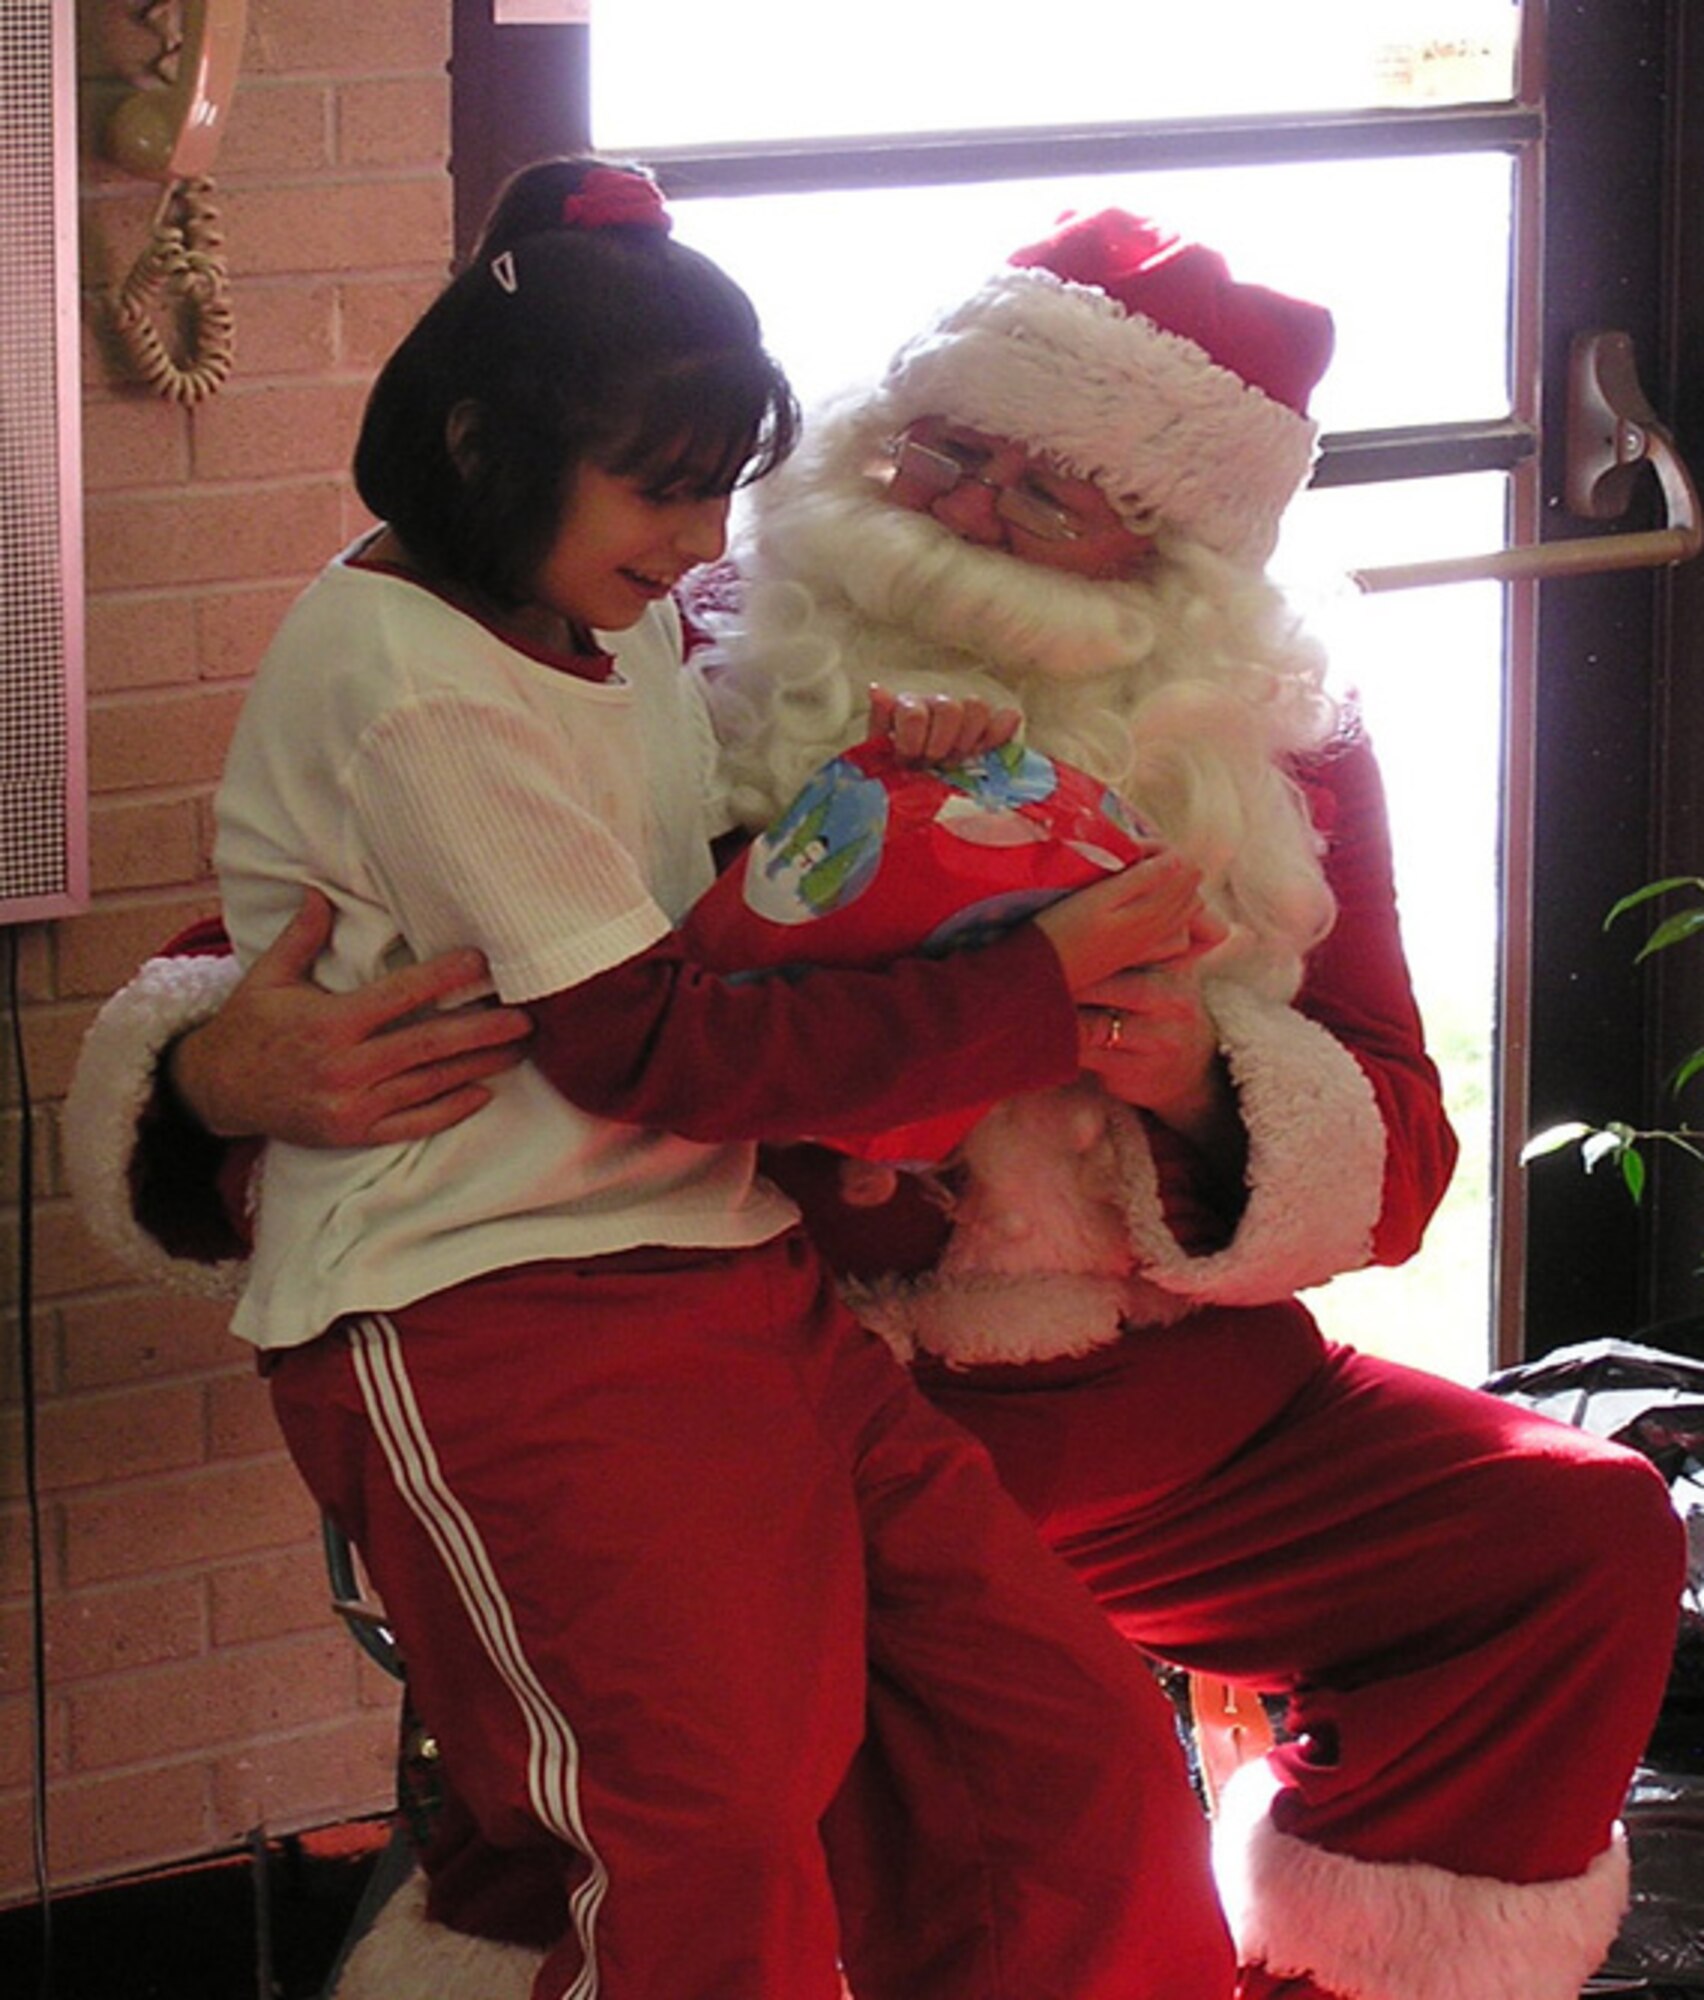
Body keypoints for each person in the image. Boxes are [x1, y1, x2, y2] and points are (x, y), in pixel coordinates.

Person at [67, 197, 1686, 2000]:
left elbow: (1395, 1149)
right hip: (757, 1368)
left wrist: (1209, 1091)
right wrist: (210, 1075)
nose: (965, 506)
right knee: (879, 1794)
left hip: (1161, 1407)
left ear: (1174, 557)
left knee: (1571, 1533)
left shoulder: (1266, 739)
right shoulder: (664, 612)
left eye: (1048, 492)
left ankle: (1351, 1970)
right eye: (946, 444)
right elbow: (314, 920)